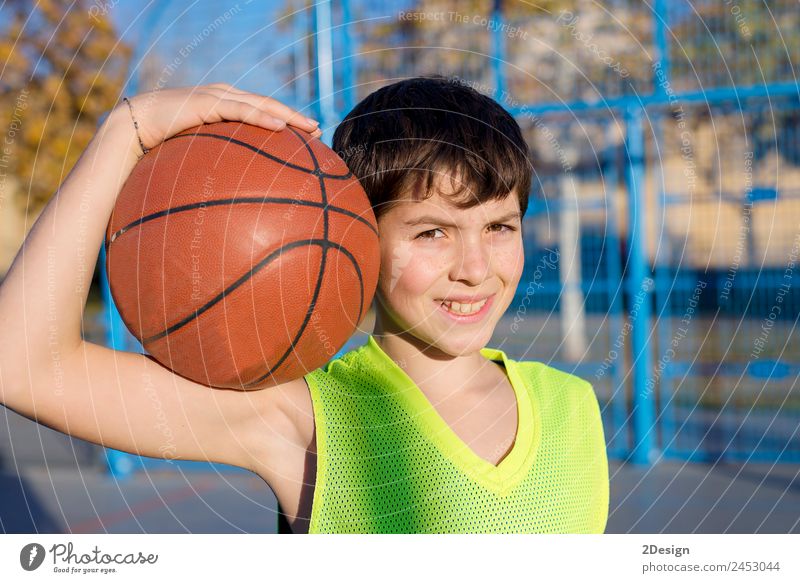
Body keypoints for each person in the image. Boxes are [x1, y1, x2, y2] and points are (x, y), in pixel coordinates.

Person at [0, 77, 608, 534]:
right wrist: (128, 128)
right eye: (432, 233)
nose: (476, 270)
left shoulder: (573, 407)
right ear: (357, 240)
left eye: (500, 227)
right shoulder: (305, 418)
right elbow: (19, 364)